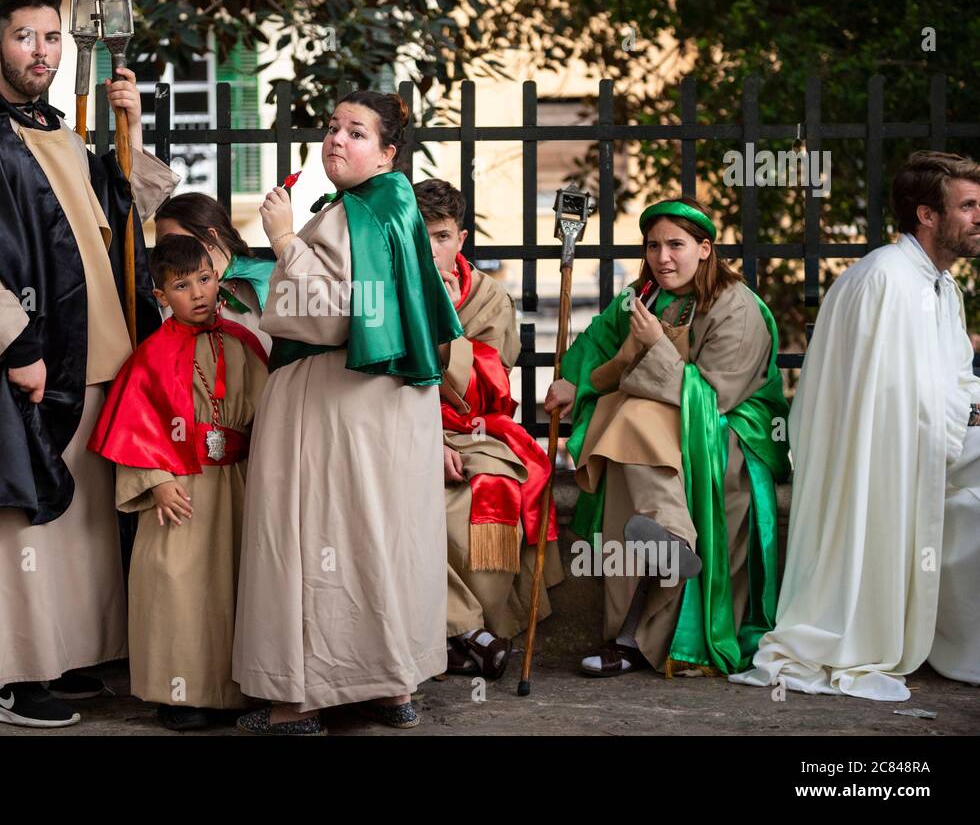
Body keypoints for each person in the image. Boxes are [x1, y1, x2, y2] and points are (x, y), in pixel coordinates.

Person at [0, 0, 178, 727]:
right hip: (9, 359)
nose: (41, 51)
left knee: (70, 525)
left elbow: (126, 209)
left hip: (83, 352)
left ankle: (54, 656)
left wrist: (130, 126)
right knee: (8, 519)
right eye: (25, 37)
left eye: (53, 38)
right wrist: (17, 346)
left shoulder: (54, 126)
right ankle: (1, 675)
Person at [232, 91, 463, 735]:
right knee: (373, 534)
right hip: (377, 409)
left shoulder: (365, 210)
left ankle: (299, 701)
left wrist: (282, 240)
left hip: (337, 405)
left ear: (388, 152)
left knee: (318, 535)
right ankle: (386, 685)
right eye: (332, 128)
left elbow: (331, 316)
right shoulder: (386, 209)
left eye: (356, 132)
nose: (336, 139)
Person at [733, 151, 980, 700]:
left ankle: (962, 642)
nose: (979, 216)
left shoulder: (941, 286)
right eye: (968, 206)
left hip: (926, 440)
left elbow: (951, 379)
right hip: (885, 456)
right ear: (927, 216)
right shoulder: (887, 280)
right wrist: (963, 419)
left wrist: (970, 411)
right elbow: (892, 397)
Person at [544, 196, 789, 679]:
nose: (663, 257)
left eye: (676, 244)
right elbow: (597, 345)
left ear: (704, 248)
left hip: (728, 431)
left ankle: (637, 631)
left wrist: (654, 348)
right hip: (656, 435)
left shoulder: (737, 307)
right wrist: (578, 381)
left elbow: (713, 398)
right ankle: (637, 616)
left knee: (632, 424)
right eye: (653, 245)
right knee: (629, 452)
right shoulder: (644, 297)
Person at [89, 234, 269, 731]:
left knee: (235, 584)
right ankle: (182, 692)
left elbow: (270, 417)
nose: (199, 294)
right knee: (177, 584)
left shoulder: (244, 344)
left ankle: (239, 690)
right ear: (161, 295)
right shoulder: (151, 354)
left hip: (236, 482)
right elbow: (136, 424)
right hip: (181, 487)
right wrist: (156, 481)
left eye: (206, 279)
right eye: (182, 285)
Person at [414, 178, 562, 680]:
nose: (430, 248)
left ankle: (478, 632)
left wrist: (448, 329)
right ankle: (469, 632)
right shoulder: (387, 290)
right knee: (416, 499)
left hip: (473, 429)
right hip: (403, 428)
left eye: (440, 236)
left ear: (460, 238)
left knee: (493, 487)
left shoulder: (489, 297)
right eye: (418, 235)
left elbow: (484, 387)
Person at [155, 192, 275, 352]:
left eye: (177, 243)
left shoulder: (269, 277)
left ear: (210, 237)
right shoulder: (166, 292)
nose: (167, 253)